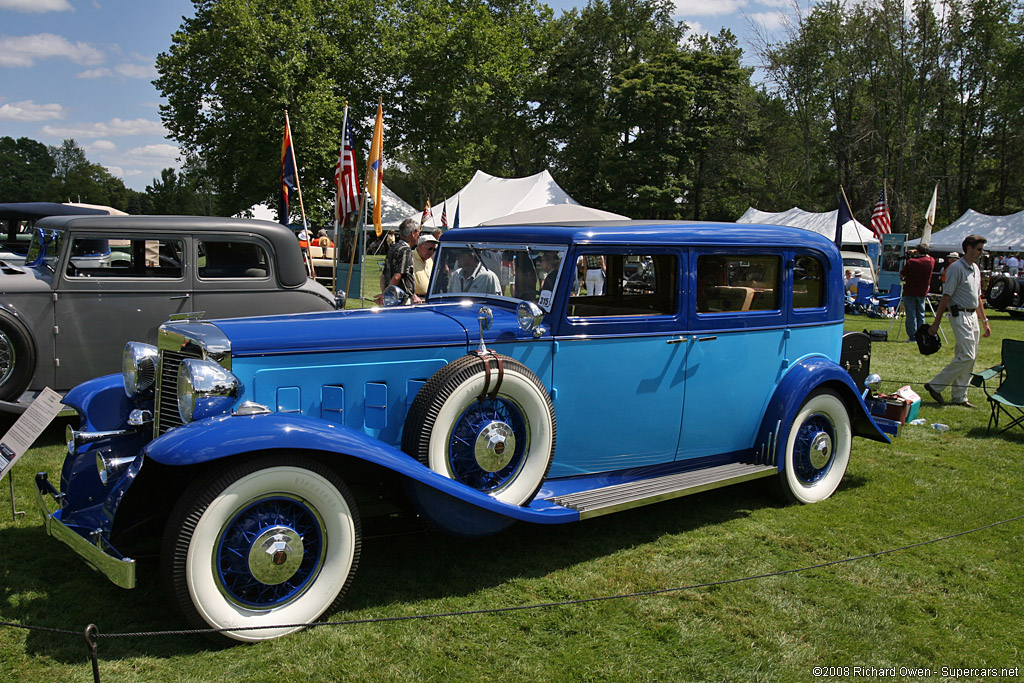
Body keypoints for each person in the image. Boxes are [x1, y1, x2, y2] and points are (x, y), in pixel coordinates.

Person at [923, 235, 991, 407]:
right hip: (959, 315)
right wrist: (936, 323)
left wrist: (985, 320)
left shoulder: (975, 268)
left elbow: (978, 297)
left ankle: (960, 397)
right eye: (979, 249)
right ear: (969, 248)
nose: (981, 253)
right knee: (967, 356)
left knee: (970, 357)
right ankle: (935, 385)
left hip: (973, 316)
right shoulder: (956, 268)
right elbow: (946, 297)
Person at [380, 218, 420, 303]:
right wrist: (386, 295)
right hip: (402, 299)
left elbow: (383, 276)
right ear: (413, 233)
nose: (419, 236)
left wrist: (385, 293)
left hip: (392, 298)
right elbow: (397, 276)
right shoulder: (406, 250)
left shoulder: (393, 248)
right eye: (418, 233)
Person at [900, 245, 935, 341]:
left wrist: (912, 254)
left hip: (910, 291)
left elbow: (902, 274)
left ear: (918, 251)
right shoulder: (931, 261)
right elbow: (927, 256)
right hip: (923, 291)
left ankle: (912, 336)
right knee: (921, 314)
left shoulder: (912, 262)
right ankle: (921, 335)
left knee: (911, 315)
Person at [413, 233, 437, 298]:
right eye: (430, 249)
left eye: (434, 250)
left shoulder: (430, 260)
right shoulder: (410, 258)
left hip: (429, 298)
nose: (432, 252)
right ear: (420, 246)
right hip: (415, 299)